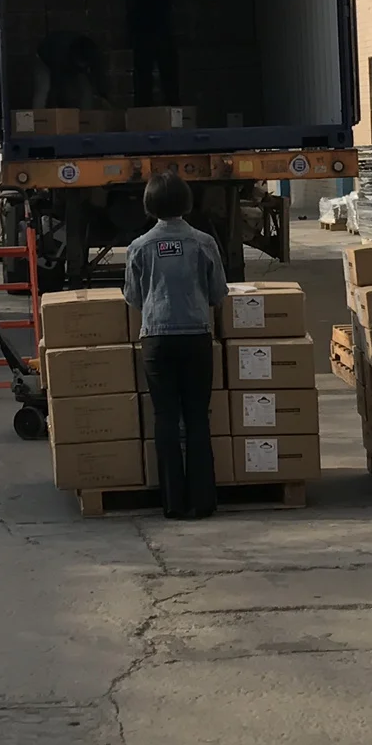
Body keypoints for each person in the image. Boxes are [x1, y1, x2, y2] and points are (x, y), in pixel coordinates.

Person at [124, 170, 225, 519]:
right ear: (187, 202)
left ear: (149, 205)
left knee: (165, 417)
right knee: (197, 416)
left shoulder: (139, 247)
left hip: (156, 339)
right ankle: (202, 500)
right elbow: (218, 293)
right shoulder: (204, 243)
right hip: (196, 337)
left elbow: (132, 297)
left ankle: (172, 502)